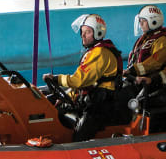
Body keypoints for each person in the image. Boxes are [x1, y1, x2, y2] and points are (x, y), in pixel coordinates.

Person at [43, 13, 123, 142]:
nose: (83, 35)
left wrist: (57, 78)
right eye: (82, 31)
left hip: (101, 104)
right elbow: (82, 84)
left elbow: (78, 80)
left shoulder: (100, 53)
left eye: (88, 32)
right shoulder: (94, 51)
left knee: (81, 135)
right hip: (91, 98)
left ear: (97, 33)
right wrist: (68, 97)